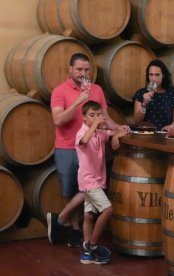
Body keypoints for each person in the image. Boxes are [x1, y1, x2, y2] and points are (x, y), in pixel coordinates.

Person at [47, 53, 128, 248]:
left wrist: (119, 129)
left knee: (88, 187)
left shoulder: (97, 89)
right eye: (79, 69)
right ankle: (75, 228)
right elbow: (58, 120)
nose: (83, 74)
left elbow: (105, 118)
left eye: (86, 70)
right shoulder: (59, 91)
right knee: (69, 189)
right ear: (70, 69)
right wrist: (77, 102)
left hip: (91, 149)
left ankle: (65, 219)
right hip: (66, 147)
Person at [76, 101, 127, 264]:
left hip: (97, 180)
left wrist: (121, 131)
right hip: (89, 180)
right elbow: (84, 141)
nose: (97, 118)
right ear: (84, 118)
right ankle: (92, 245)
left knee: (89, 215)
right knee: (108, 210)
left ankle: (87, 254)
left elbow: (113, 132)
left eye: (99, 115)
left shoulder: (99, 133)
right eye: (92, 115)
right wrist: (96, 125)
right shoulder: (82, 133)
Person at [132, 59, 174, 131]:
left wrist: (170, 127)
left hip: (164, 136)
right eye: (151, 75)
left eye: (157, 75)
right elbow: (137, 121)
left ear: (163, 76)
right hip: (145, 136)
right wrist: (144, 104)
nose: (153, 78)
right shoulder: (141, 93)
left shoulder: (171, 93)